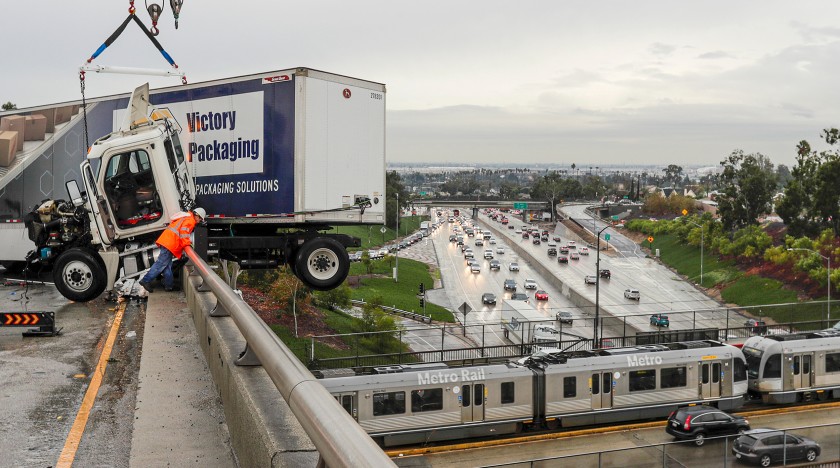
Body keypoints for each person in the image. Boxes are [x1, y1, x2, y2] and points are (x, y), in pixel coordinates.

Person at [139, 207, 205, 292]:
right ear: (197, 215)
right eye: (200, 219)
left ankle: (169, 286)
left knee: (167, 266)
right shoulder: (190, 221)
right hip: (170, 243)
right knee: (160, 264)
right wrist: (187, 244)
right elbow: (183, 233)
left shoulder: (186, 216)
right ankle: (145, 280)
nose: (199, 221)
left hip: (168, 242)